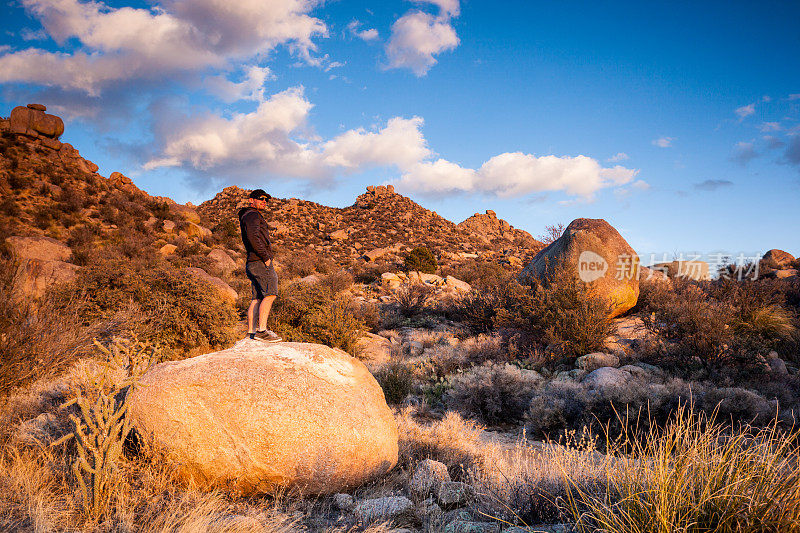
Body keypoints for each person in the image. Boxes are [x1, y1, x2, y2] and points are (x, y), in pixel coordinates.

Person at [238, 189, 282, 342]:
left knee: (257, 298)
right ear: (251, 200)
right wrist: (265, 257)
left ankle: (251, 333)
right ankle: (262, 331)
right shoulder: (253, 215)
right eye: (261, 199)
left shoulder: (247, 215)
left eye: (266, 200)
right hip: (259, 261)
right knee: (270, 294)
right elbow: (253, 237)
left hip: (252, 262)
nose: (264, 201)